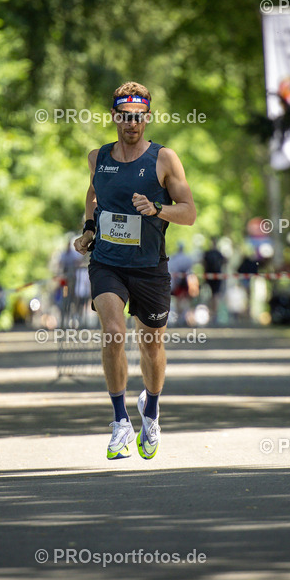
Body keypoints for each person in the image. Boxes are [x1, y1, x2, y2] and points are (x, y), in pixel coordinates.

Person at [73, 82, 196, 460]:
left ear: (147, 118)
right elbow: (93, 197)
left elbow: (189, 212)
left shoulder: (164, 159)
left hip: (149, 266)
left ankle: (152, 411)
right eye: (125, 117)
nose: (131, 124)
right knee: (112, 332)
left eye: (138, 118)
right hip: (108, 262)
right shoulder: (98, 158)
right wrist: (89, 231)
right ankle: (119, 421)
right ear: (114, 117)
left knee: (151, 344)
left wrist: (157, 209)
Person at [202, 239, 226, 324]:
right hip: (217, 275)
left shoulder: (207, 253)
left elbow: (203, 263)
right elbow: (224, 262)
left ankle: (211, 313)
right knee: (215, 295)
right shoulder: (219, 253)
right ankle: (214, 314)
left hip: (208, 275)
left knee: (210, 295)